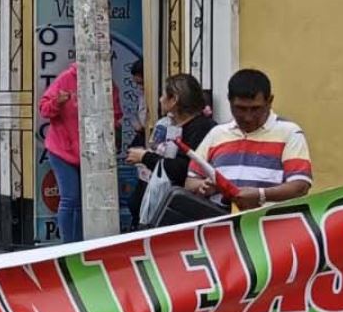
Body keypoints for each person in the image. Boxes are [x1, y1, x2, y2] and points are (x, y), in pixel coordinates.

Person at [185, 67, 312, 210]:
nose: (248, 117)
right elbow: (191, 181)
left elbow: (300, 185)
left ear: (270, 101)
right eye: (240, 109)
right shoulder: (217, 134)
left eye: (256, 109)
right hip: (222, 223)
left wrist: (261, 195)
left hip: (267, 225)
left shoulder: (289, 133)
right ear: (229, 101)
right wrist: (203, 186)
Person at [38, 59, 122, 243]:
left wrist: (111, 129)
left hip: (93, 151)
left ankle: (80, 242)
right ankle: (68, 246)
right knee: (71, 197)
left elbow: (116, 114)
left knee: (86, 201)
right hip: (63, 150)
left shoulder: (108, 84)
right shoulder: (66, 79)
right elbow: (44, 109)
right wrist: (57, 102)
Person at [127, 73, 217, 225]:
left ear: (174, 99)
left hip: (182, 216)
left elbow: (182, 169)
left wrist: (145, 157)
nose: (160, 100)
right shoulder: (170, 126)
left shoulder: (201, 129)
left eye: (163, 95)